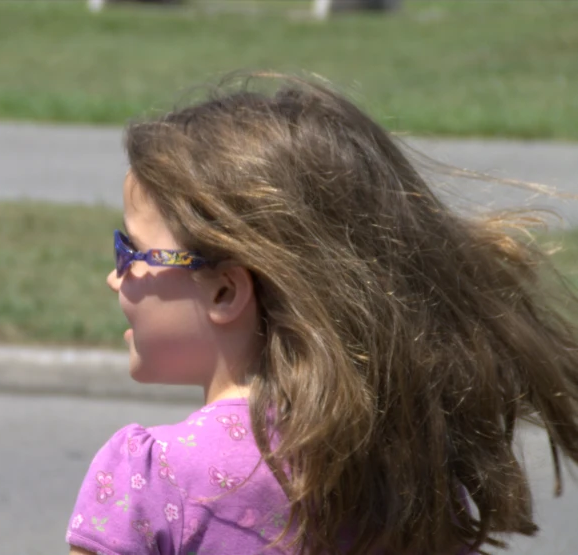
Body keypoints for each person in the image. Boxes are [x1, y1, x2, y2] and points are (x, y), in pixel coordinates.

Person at [66, 73, 578, 555]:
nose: (116, 277)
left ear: (225, 291)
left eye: (130, 253)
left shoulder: (153, 478)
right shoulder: (412, 476)